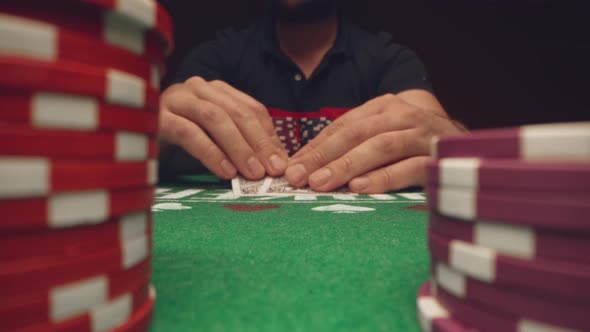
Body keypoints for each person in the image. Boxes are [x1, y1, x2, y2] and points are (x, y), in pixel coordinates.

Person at [158, 0, 466, 193]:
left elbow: (438, 130)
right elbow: (159, 135)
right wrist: (142, 127)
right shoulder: (217, 56)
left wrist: (457, 148)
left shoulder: (388, 58)